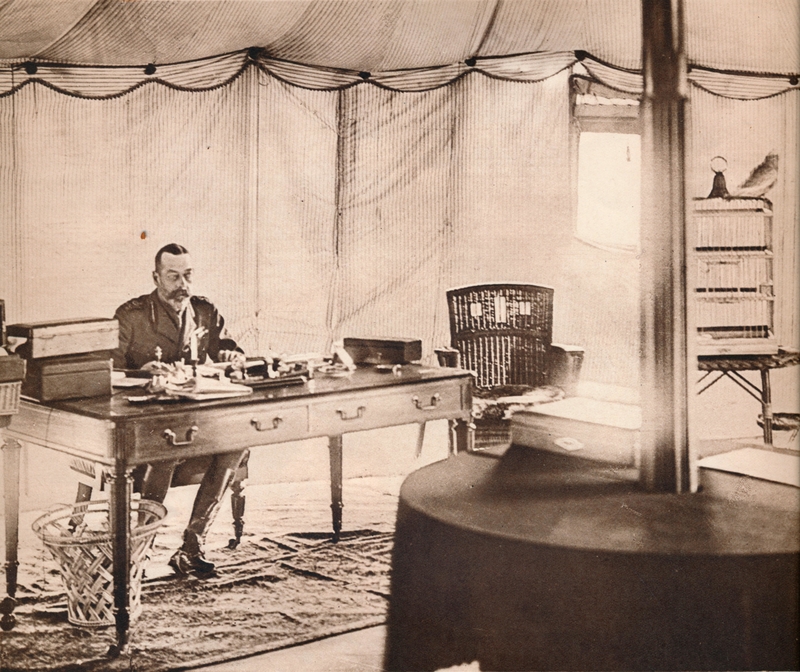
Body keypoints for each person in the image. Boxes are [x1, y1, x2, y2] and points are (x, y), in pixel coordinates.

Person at [111, 243, 247, 576]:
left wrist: (231, 356)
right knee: (169, 449)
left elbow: (230, 348)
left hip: (193, 419)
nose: (182, 285)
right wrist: (142, 373)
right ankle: (140, 550)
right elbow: (108, 373)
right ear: (156, 277)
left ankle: (192, 544)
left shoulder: (204, 311)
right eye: (173, 277)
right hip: (142, 424)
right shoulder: (131, 315)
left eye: (187, 275)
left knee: (236, 443)